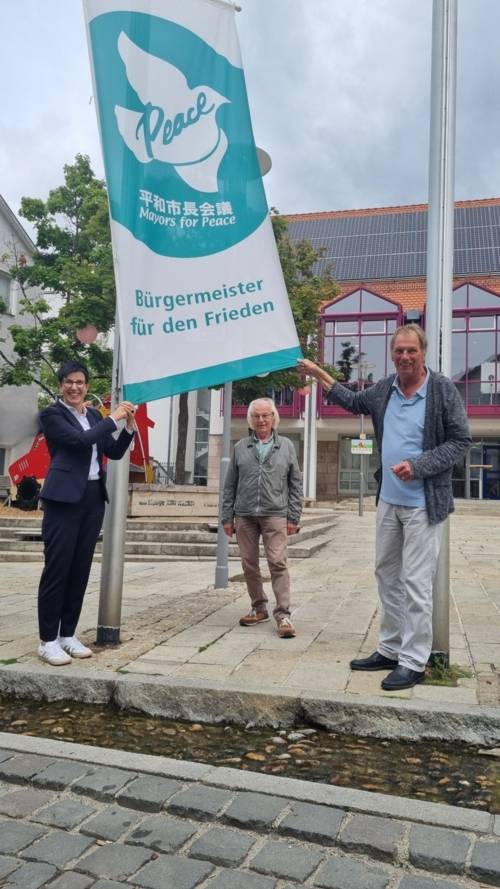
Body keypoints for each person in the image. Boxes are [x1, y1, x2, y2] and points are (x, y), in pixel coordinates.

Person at [299, 324, 471, 690]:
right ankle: (391, 649)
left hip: (424, 503)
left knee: (416, 582)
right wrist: (318, 374)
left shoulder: (441, 390)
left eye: (412, 350)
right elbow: (352, 400)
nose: (405, 357)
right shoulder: (385, 390)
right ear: (391, 355)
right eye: (399, 351)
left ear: (423, 353)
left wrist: (419, 466)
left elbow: (460, 441)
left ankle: (414, 661)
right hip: (389, 500)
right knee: (386, 574)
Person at [37, 360, 136, 666]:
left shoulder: (93, 414)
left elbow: (112, 451)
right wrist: (113, 417)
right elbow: (80, 442)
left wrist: (128, 427)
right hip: (63, 499)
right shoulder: (51, 415)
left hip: (92, 498)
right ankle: (47, 640)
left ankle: (68, 635)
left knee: (80, 569)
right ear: (60, 385)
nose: (74, 387)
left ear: (87, 387)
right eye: (69, 382)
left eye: (80, 382)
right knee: (58, 568)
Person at [221, 397, 303, 638]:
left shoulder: (286, 446)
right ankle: (259, 608)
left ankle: (283, 614)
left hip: (275, 513)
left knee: (277, 562)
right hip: (245, 515)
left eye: (266, 415)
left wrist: (294, 516)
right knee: (249, 563)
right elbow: (230, 485)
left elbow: (295, 482)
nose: (261, 420)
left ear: (274, 418)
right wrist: (227, 517)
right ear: (251, 419)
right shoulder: (240, 447)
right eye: (256, 416)